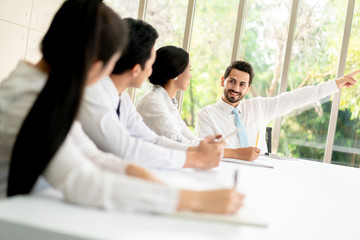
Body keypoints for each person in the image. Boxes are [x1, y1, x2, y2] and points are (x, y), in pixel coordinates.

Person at [0, 0, 244, 215]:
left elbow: (90, 155)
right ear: (95, 65)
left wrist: (137, 174)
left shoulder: (45, 91)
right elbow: (84, 182)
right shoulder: (27, 100)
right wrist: (193, 200)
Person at [79, 18, 224, 170]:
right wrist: (194, 159)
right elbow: (125, 148)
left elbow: (151, 139)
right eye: (150, 64)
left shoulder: (123, 99)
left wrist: (196, 151)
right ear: (136, 69)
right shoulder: (93, 95)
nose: (151, 71)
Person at [196, 60, 359, 153]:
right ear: (222, 81)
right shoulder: (206, 115)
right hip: (225, 175)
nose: (236, 88)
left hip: (261, 174)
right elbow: (205, 152)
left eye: (242, 84)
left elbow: (296, 98)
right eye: (232, 81)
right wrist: (237, 156)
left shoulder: (258, 106)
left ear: (248, 88)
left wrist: (336, 84)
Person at [137, 46, 260, 161]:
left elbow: (189, 138)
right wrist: (234, 153)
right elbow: (177, 142)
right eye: (188, 70)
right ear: (176, 73)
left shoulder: (168, 102)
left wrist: (208, 143)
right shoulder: (153, 102)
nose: (190, 75)